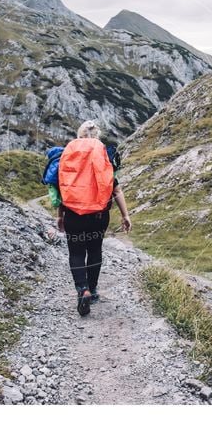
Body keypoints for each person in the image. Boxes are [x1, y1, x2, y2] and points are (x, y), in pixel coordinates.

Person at [57, 120, 132, 316]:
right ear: (96, 135)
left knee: (76, 253)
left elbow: (60, 187)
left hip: (73, 214)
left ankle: (82, 289)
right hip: (98, 216)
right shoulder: (104, 153)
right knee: (95, 249)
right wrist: (125, 215)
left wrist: (60, 216)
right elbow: (116, 189)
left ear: (79, 135)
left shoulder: (68, 153)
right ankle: (94, 289)